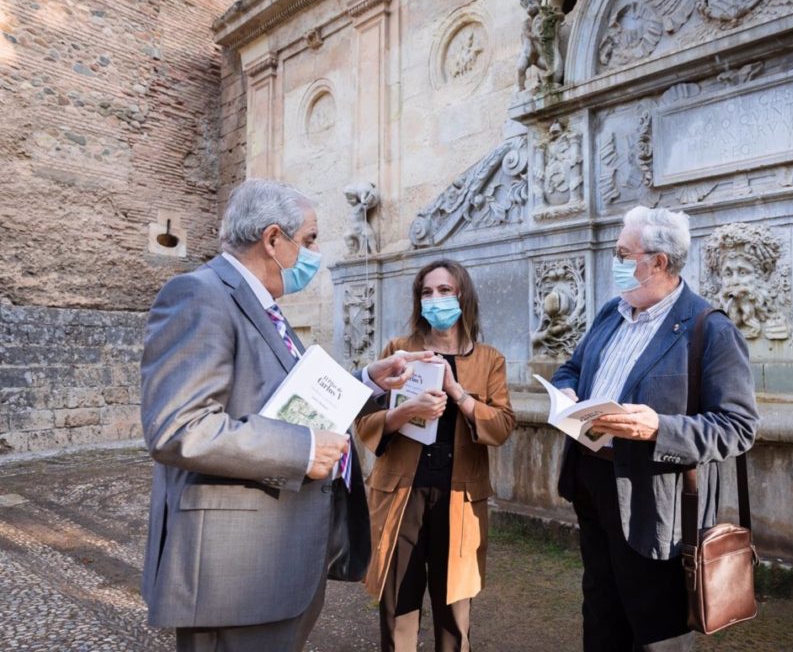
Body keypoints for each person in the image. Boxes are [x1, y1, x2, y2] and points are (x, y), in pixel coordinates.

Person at [140, 178, 431, 652]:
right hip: (233, 576)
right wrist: (303, 450)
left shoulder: (264, 307)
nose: (314, 253)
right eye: (310, 239)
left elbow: (290, 399)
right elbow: (180, 428)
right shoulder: (199, 296)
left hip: (275, 564)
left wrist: (368, 380)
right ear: (273, 239)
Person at [551, 206, 759, 651]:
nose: (615, 261)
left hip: (658, 506)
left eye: (623, 253)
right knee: (602, 614)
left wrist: (657, 428)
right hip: (593, 484)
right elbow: (569, 368)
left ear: (658, 262)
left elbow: (738, 427)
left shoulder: (710, 328)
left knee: (656, 630)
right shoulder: (612, 311)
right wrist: (566, 392)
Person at [356, 259, 516, 652]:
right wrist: (404, 412)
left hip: (460, 498)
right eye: (427, 292)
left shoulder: (489, 359)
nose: (435, 299)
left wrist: (458, 394)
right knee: (398, 606)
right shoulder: (400, 351)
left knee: (454, 612)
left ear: (463, 296)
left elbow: (501, 426)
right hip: (401, 493)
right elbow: (364, 422)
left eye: (445, 290)